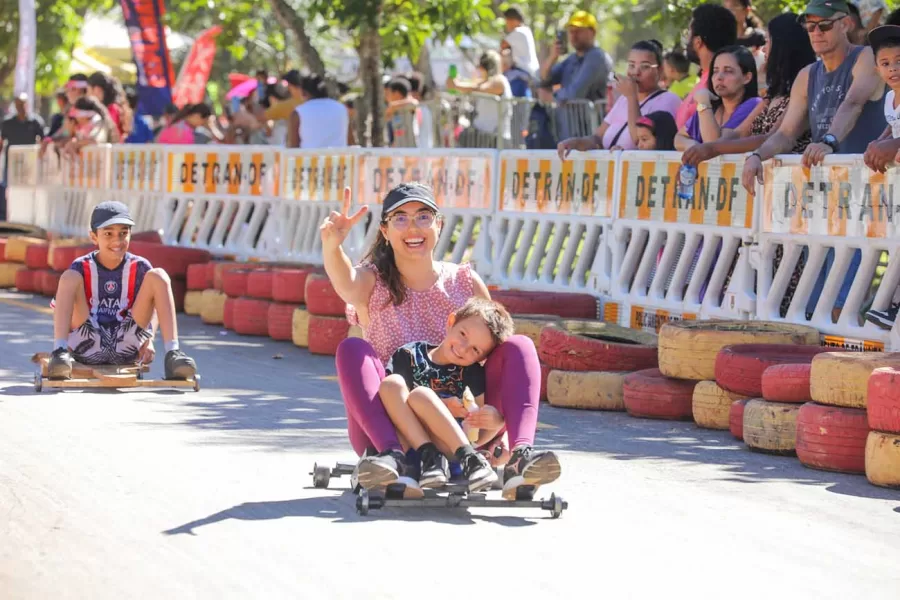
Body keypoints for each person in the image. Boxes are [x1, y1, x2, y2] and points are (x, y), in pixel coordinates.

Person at [322, 182, 561, 500]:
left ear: (439, 224)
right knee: (352, 349)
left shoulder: (463, 282)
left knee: (519, 346)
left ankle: (520, 454)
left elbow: (494, 360)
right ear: (385, 230)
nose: (413, 228)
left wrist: (496, 422)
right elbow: (346, 283)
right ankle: (394, 459)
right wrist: (332, 246)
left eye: (423, 216)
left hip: (464, 430)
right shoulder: (372, 280)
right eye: (400, 219)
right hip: (394, 429)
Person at [742, 0, 886, 189]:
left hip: (875, 185)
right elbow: (786, 134)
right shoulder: (806, 75)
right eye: (810, 27)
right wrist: (757, 156)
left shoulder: (867, 56)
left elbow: (853, 103)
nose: (817, 33)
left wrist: (829, 141)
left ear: (845, 24)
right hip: (830, 188)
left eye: (825, 25)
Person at [47, 201, 197, 380]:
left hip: (127, 343)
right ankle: (60, 351)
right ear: (94, 237)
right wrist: (67, 343)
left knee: (159, 275)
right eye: (108, 234)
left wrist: (148, 340)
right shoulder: (81, 267)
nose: (117, 240)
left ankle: (173, 354)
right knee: (68, 277)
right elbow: (62, 309)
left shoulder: (140, 267)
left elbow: (154, 307)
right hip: (87, 342)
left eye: (123, 233)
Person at [379, 298, 514, 492]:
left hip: (451, 447)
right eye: (463, 334)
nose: (462, 348)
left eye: (475, 350)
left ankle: (468, 459)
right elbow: (391, 404)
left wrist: (496, 423)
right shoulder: (408, 355)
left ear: (482, 357)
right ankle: (430, 457)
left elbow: (476, 428)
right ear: (451, 322)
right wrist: (443, 404)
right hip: (407, 439)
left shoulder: (472, 372)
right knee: (394, 385)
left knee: (420, 395)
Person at [682, 13, 817, 166]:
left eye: (768, 42)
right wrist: (706, 147)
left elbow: (772, 138)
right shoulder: (773, 93)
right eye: (716, 71)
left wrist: (713, 148)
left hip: (794, 177)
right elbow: (739, 133)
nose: (764, 49)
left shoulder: (804, 87)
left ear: (784, 44)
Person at [557, 40, 681, 156]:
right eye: (632, 65)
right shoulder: (624, 99)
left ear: (659, 70)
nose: (635, 73)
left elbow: (639, 141)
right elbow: (598, 137)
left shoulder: (668, 100)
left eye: (645, 67)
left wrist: (632, 97)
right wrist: (577, 142)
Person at [859, 25, 900, 328]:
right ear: (877, 68)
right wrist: (878, 142)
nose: (893, 69)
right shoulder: (889, 100)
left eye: (899, 61)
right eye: (885, 63)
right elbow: (891, 126)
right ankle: (892, 305)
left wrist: (892, 144)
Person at [675, 45, 761, 149]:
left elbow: (713, 145)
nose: (719, 77)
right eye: (715, 71)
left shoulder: (754, 105)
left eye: (728, 71)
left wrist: (703, 101)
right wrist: (693, 145)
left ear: (747, 78)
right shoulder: (710, 109)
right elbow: (679, 137)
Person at [676, 4, 738, 130]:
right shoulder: (708, 79)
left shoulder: (718, 84)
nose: (687, 41)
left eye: (689, 33)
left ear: (698, 41)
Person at [447, 51, 513, 147]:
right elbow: (476, 84)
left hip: (495, 140)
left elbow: (480, 87)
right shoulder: (489, 81)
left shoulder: (500, 81)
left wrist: (457, 85)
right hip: (483, 139)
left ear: (483, 67)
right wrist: (458, 83)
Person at [0, 92, 45, 220]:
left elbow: (43, 141)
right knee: (9, 191)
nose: (21, 107)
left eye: (23, 104)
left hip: (30, 165)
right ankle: (8, 217)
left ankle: (29, 217)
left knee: (30, 192)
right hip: (12, 165)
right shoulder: (7, 123)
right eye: (18, 104)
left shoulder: (36, 122)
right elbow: (1, 142)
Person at [286, 72, 349, 149]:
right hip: (340, 160)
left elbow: (293, 148)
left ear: (303, 92)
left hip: (309, 160)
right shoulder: (341, 108)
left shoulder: (298, 113)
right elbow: (350, 142)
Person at [87, 72, 131, 140]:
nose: (87, 95)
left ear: (97, 89)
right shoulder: (113, 108)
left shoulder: (112, 109)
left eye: (88, 90)